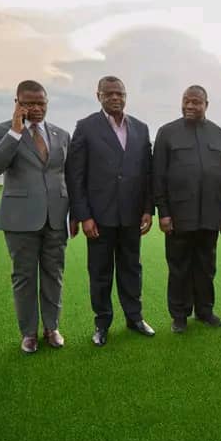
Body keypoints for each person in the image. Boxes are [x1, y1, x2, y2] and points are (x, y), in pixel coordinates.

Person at [66, 75, 155, 346]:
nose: (115, 98)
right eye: (109, 93)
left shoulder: (140, 128)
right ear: (99, 96)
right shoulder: (85, 127)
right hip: (99, 217)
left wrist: (147, 209)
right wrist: (84, 215)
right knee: (100, 272)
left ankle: (134, 318)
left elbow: (147, 173)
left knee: (132, 269)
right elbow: (75, 175)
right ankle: (102, 323)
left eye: (120, 93)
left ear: (126, 96)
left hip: (131, 216)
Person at [0, 80, 71, 353]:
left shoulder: (61, 134)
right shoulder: (0, 131)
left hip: (56, 218)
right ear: (17, 103)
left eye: (41, 103)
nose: (36, 108)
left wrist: (75, 213)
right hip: (20, 219)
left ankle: (52, 328)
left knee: (54, 274)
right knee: (24, 277)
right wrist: (15, 131)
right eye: (29, 103)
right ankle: (29, 333)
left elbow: (67, 175)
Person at [153, 85, 221, 332]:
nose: (189, 106)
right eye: (186, 101)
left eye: (196, 102)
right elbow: (158, 176)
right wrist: (164, 212)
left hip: (210, 215)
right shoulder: (167, 133)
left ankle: (205, 311)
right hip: (179, 216)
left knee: (206, 267)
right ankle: (179, 316)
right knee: (179, 267)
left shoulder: (219, 134)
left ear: (206, 105)